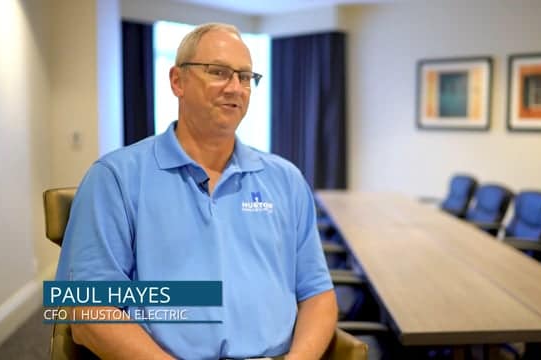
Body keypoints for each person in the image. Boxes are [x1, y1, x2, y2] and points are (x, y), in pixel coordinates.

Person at [55, 23, 337, 359]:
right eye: (218, 72)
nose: (235, 88)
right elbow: (89, 312)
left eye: (245, 77)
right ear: (177, 81)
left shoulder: (286, 180)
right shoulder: (114, 179)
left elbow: (317, 294)